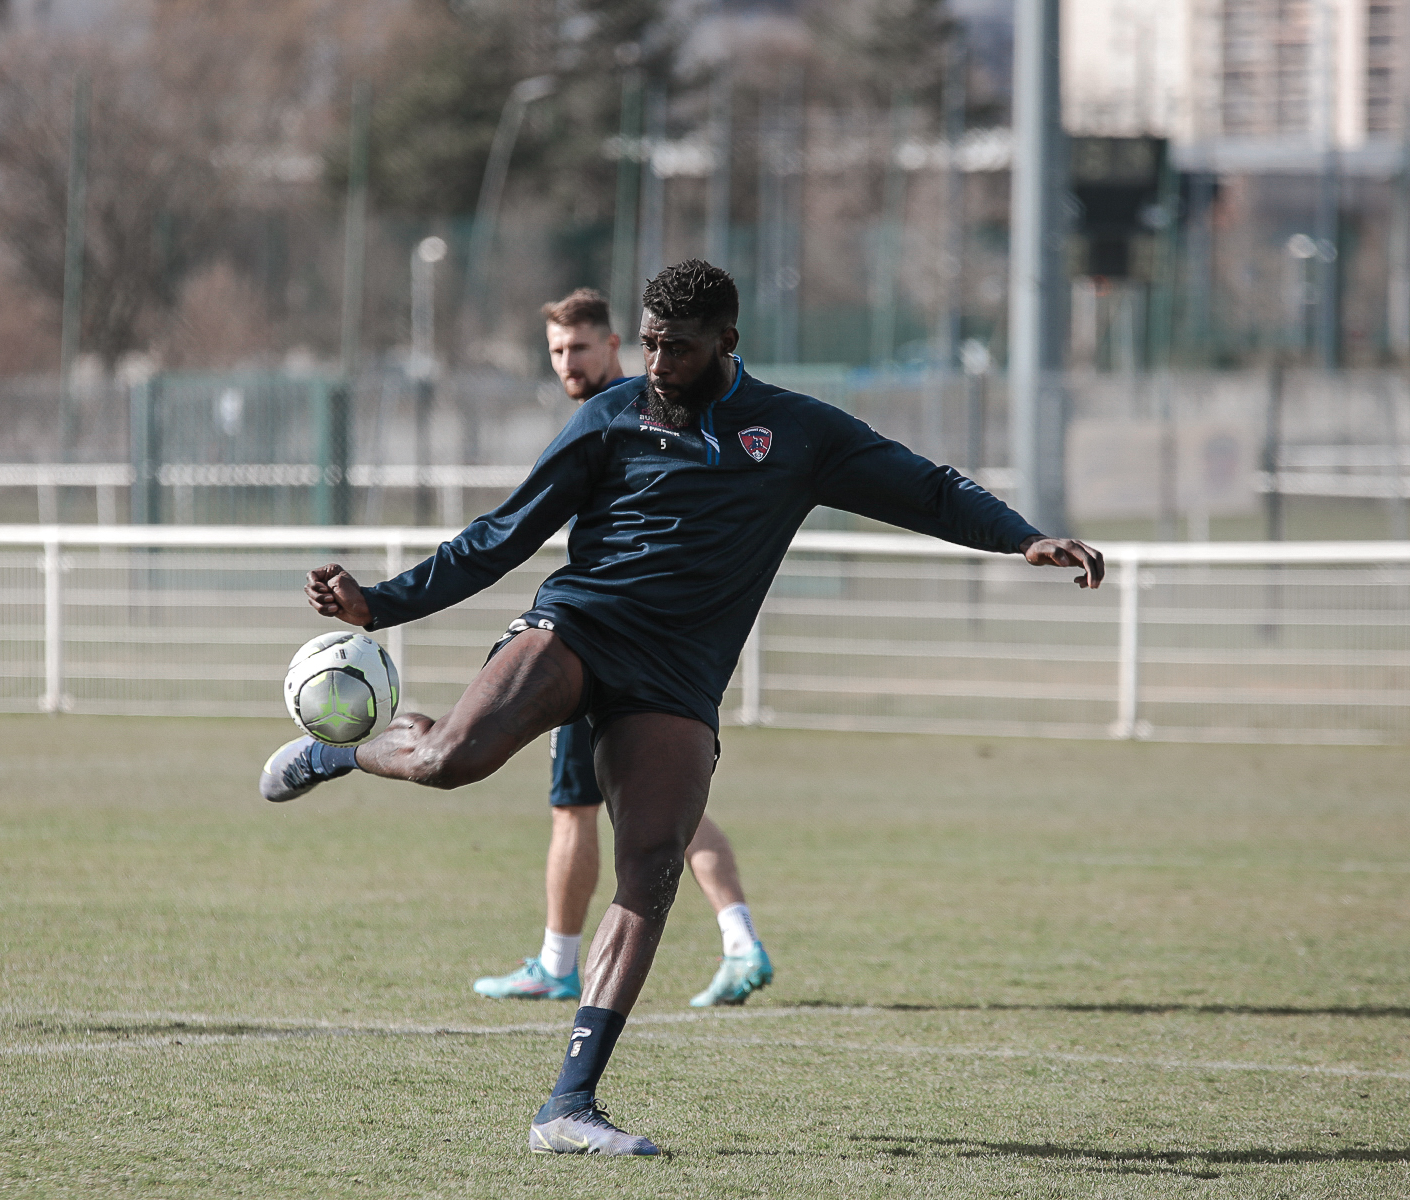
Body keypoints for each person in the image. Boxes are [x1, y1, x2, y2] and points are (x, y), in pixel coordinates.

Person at [261, 260, 1104, 1156]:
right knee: (450, 760)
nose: (659, 361)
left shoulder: (797, 432)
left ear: (727, 344)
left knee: (655, 864)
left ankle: (568, 1109)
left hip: (678, 678)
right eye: (652, 340)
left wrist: (1024, 537)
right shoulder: (612, 417)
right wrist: (378, 604)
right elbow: (501, 535)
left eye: (680, 346)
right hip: (581, 626)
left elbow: (926, 486)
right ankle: (339, 753)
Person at [469, 288, 772, 1009]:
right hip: (647, 645)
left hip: (606, 643)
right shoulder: (619, 410)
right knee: (660, 811)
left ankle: (558, 962)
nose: (567, 363)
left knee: (577, 805)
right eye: (555, 352)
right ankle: (739, 938)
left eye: (579, 348)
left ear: (613, 346)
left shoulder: (628, 409)